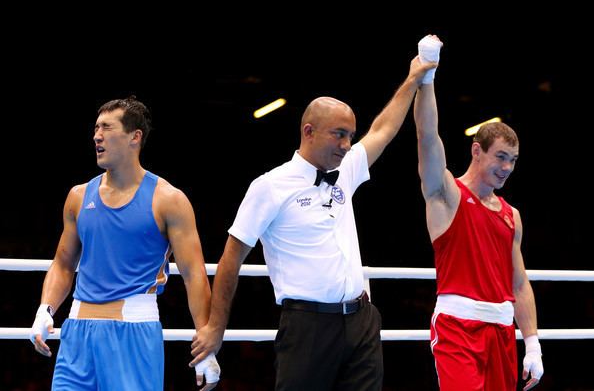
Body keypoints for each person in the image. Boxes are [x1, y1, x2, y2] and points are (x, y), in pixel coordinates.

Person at [189, 42, 438, 390]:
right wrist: (216, 328)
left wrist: (414, 77)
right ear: (309, 131)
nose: (347, 145)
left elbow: (383, 129)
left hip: (361, 320)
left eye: (350, 135)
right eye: (339, 134)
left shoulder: (346, 169)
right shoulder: (270, 186)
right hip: (307, 325)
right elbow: (231, 258)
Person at [29, 96, 220, 390]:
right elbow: (64, 264)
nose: (96, 135)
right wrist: (45, 309)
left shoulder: (168, 200)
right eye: (95, 128)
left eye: (106, 127)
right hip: (77, 333)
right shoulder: (79, 196)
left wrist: (206, 341)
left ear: (135, 137)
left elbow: (194, 275)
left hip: (134, 331)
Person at [413, 35, 544, 390]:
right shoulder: (446, 194)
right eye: (500, 157)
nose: (507, 168)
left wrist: (531, 342)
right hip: (457, 327)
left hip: (502, 331)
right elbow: (427, 136)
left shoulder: (511, 215)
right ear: (477, 151)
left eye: (513, 161)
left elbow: (518, 281)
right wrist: (427, 78)